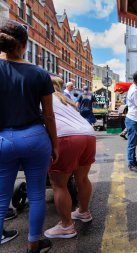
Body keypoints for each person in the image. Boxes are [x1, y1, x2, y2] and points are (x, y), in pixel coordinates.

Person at [0, 19, 58, 252]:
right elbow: (50, 116)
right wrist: (55, 144)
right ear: (24, 45)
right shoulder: (39, 73)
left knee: (1, 196)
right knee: (36, 194)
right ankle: (34, 244)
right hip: (35, 138)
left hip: (3, 138)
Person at [44, 77, 96, 239]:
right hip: (88, 135)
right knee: (82, 178)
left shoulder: (42, 97)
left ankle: (66, 226)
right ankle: (83, 212)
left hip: (67, 137)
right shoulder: (65, 100)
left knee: (59, 184)